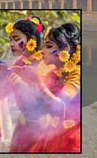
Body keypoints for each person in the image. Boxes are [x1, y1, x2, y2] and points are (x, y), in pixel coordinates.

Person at [0, 15, 47, 152]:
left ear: (31, 40)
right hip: (23, 126)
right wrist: (0, 73)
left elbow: (44, 101)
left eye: (16, 39)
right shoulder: (18, 63)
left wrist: (21, 84)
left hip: (45, 127)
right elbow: (0, 94)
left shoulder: (46, 62)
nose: (12, 44)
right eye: (10, 40)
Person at [27, 23, 81, 152]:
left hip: (71, 140)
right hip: (51, 136)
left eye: (49, 46)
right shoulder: (54, 74)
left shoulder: (77, 73)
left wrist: (37, 81)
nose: (42, 51)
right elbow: (39, 108)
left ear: (65, 50)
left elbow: (60, 106)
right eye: (44, 45)